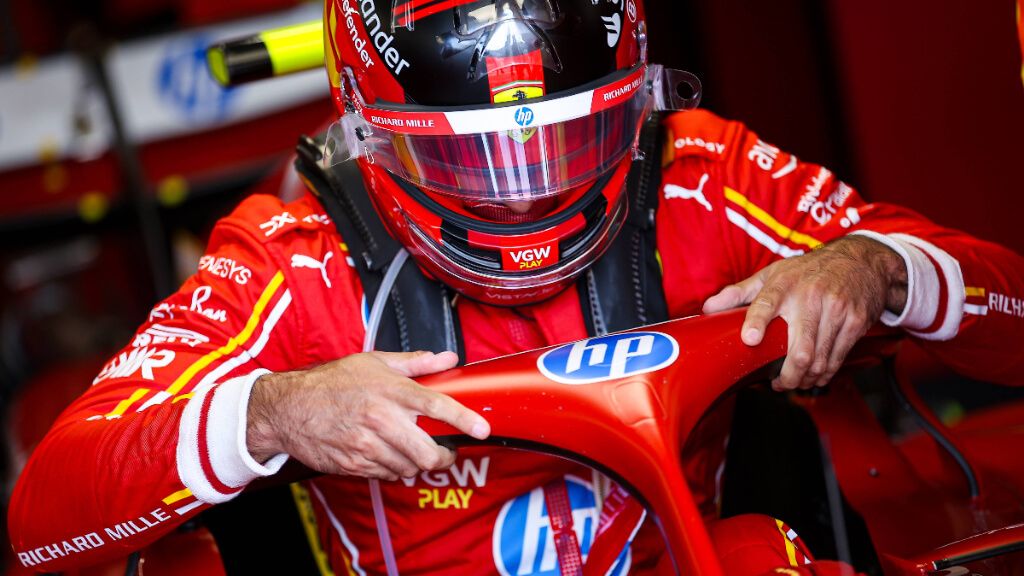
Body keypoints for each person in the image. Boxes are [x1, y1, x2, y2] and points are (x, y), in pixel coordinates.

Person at [8, 0, 1024, 574]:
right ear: (369, 141)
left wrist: (876, 270)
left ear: (635, 101)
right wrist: (269, 413)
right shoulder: (292, 256)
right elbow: (43, 521)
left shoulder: (700, 175)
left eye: (569, 140)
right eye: (469, 165)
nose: (524, 197)